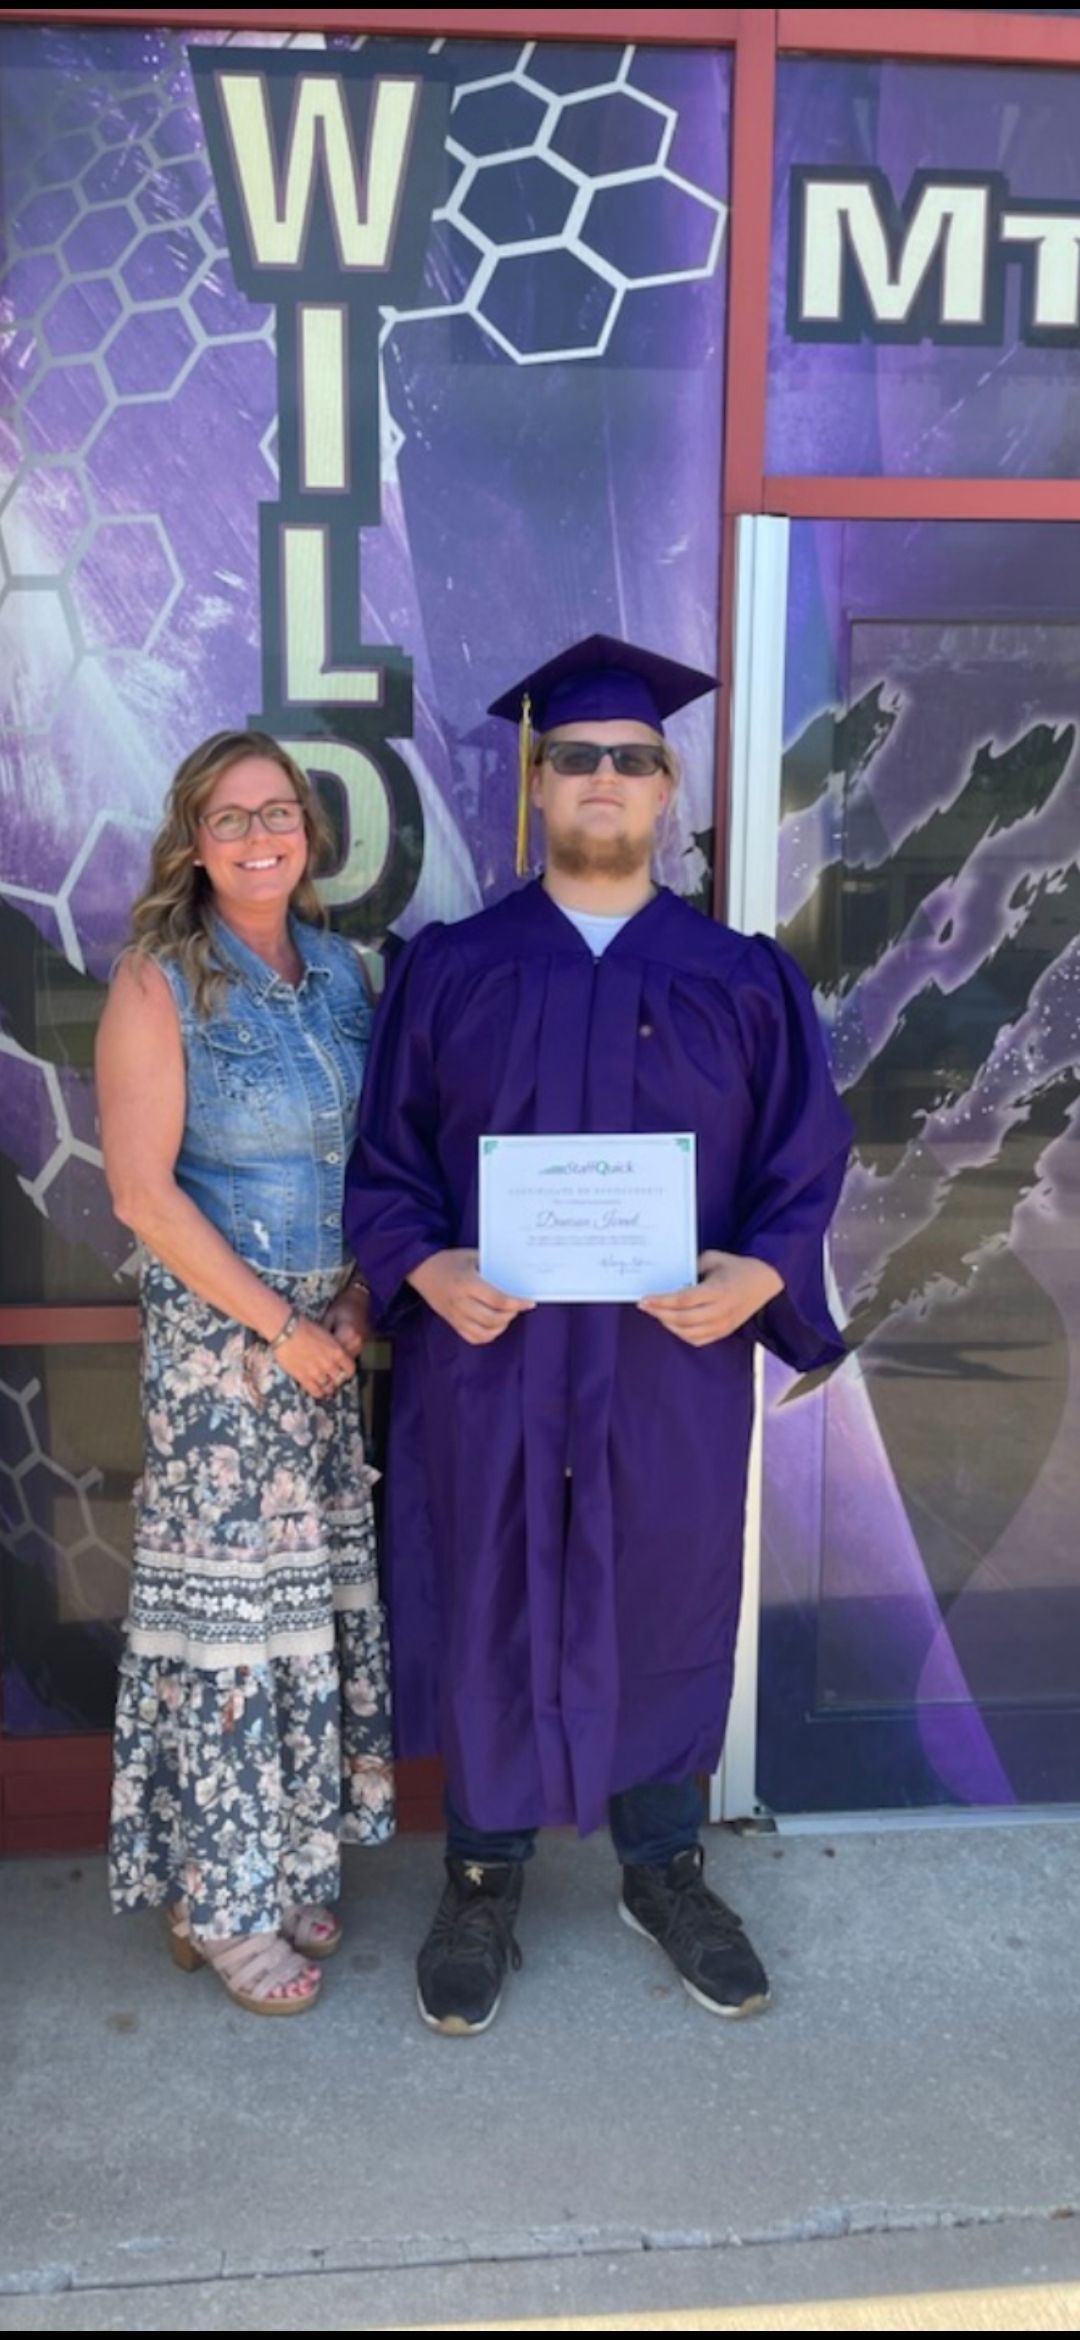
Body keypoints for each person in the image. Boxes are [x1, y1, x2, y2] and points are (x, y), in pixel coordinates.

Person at [345, 635, 852, 2037]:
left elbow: (805, 1162)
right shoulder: (453, 968)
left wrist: (761, 1278)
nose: (605, 780)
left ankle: (660, 1865)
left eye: (632, 759)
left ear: (667, 788)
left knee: (665, 1585)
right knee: (492, 1579)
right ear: (538, 785)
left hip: (664, 1361)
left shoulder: (743, 977)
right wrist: (425, 1265)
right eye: (578, 759)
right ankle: (483, 1872)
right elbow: (387, 1165)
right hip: (490, 1356)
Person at [97, 730, 393, 2016]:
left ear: (311, 833)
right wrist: (282, 1326)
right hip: (229, 1359)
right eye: (232, 818)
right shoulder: (159, 982)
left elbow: (382, 1158)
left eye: (280, 812)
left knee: (299, 1618)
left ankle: (273, 1863)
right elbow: (143, 1197)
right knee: (224, 1628)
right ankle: (220, 1907)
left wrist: (359, 1295)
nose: (260, 835)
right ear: (193, 839)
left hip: (327, 1342)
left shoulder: (344, 975)